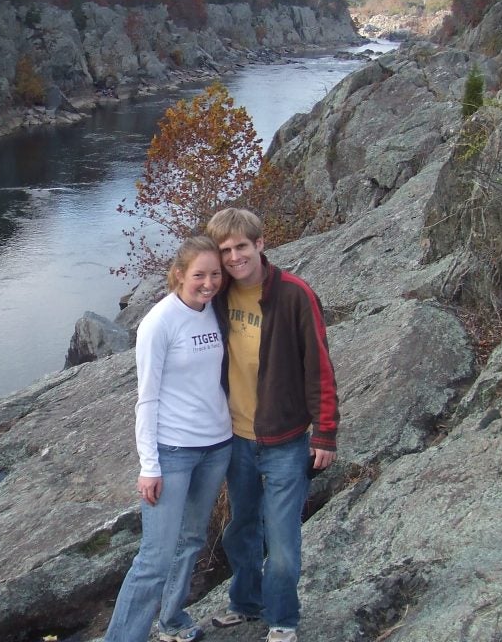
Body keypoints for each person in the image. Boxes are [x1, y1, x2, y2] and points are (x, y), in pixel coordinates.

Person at [205, 208, 339, 642]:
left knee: (281, 543)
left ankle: (282, 620)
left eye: (241, 246)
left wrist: (325, 432)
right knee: (241, 528)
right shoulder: (218, 296)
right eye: (225, 250)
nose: (234, 257)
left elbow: (320, 366)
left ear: (260, 244)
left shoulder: (296, 295)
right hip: (235, 440)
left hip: (284, 442)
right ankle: (246, 603)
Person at [104, 236, 233, 642]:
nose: (209, 283)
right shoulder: (159, 322)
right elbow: (147, 399)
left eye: (215, 274)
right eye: (199, 275)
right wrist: (149, 466)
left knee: (192, 540)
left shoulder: (217, 313)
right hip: (173, 451)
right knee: (155, 557)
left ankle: (173, 621)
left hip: (217, 445)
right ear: (179, 274)